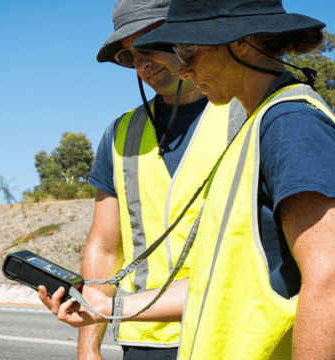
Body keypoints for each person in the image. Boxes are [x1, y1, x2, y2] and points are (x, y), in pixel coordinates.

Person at [42, 1, 335, 359]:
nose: (183, 69)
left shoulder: (290, 125)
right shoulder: (257, 126)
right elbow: (217, 282)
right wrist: (104, 309)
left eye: (187, 50)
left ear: (240, 42)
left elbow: (333, 283)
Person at [78, 0, 245, 359]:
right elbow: (104, 247)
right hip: (144, 340)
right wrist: (88, 349)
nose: (142, 63)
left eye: (152, 46)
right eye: (132, 54)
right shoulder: (120, 134)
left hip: (226, 336)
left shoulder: (247, 113)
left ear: (188, 37)